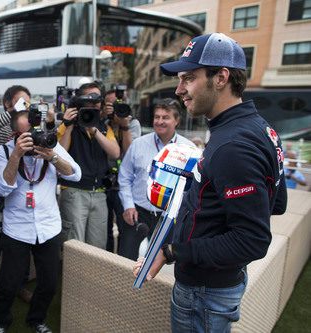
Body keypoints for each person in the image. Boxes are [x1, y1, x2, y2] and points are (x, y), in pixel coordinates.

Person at [133, 33, 287, 332]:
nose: (179, 90)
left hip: (205, 292)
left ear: (221, 77)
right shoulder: (256, 127)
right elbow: (275, 203)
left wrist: (172, 251)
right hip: (213, 284)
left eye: (188, 78)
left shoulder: (234, 144)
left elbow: (253, 240)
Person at [0, 110, 81, 333]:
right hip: (17, 229)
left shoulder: (51, 145)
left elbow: (75, 174)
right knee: (9, 283)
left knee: (49, 283)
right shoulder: (3, 150)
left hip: (49, 226)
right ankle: (2, 321)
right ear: (15, 129)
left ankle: (37, 319)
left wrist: (53, 157)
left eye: (34, 126)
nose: (32, 132)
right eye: (26, 129)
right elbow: (3, 189)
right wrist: (16, 155)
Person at [0, 85, 52, 306]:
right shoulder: (1, 123)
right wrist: (16, 110)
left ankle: (19, 284)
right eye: (23, 103)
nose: (27, 108)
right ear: (8, 104)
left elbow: (50, 140)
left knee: (23, 239)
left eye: (29, 103)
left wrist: (48, 120)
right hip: (2, 188)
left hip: (27, 189)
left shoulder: (31, 124)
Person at [119, 99, 192, 260]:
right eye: (156, 117)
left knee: (161, 263)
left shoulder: (189, 150)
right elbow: (124, 177)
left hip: (169, 217)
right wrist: (128, 206)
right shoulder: (138, 144)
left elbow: (192, 186)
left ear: (177, 120)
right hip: (137, 213)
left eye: (165, 117)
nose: (159, 121)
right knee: (125, 260)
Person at [58, 82, 120, 249]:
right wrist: (69, 125)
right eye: (89, 99)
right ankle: (73, 276)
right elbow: (58, 155)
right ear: (80, 101)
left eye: (97, 100)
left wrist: (94, 130)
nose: (94, 104)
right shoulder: (69, 124)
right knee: (74, 245)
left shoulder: (103, 127)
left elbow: (115, 152)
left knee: (97, 248)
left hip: (99, 193)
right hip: (74, 192)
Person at [101, 89, 141, 253]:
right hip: (104, 182)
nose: (115, 109)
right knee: (105, 229)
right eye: (111, 105)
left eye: (118, 104)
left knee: (126, 229)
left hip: (124, 186)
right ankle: (108, 258)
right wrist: (104, 117)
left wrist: (124, 126)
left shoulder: (132, 123)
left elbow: (131, 153)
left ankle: (123, 262)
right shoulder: (101, 123)